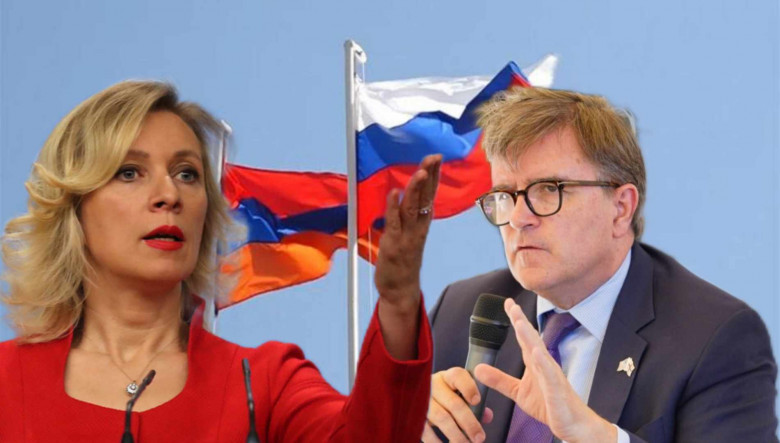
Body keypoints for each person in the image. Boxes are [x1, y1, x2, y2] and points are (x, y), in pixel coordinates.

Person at [0, 80, 441, 441]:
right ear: (75, 206)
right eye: (130, 172)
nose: (169, 195)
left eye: (187, 174)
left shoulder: (266, 381)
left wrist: (398, 302)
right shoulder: (7, 380)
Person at [423, 87, 777, 442]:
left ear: (621, 208)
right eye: (504, 195)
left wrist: (596, 436)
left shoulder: (714, 338)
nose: (517, 218)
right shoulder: (462, 311)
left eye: (548, 189)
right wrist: (408, 423)